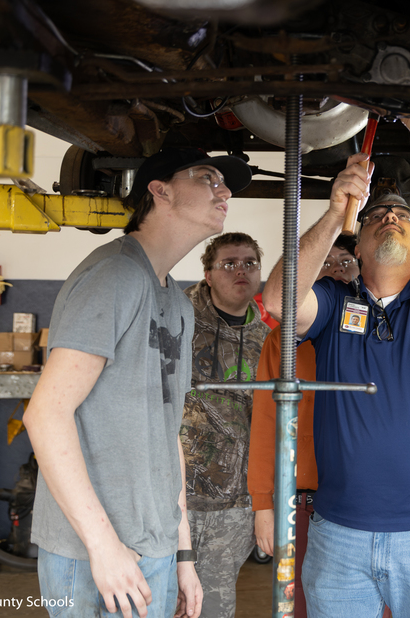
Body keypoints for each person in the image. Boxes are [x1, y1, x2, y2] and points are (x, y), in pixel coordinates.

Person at [262, 109, 410, 618]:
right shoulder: (333, 303)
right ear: (358, 245)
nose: (390, 217)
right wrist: (334, 211)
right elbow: (279, 302)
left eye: (404, 217)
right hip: (340, 536)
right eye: (374, 217)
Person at [24, 147, 252, 618]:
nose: (223, 190)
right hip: (96, 552)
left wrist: (183, 555)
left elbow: (167, 436)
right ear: (160, 190)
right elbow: (45, 414)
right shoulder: (115, 276)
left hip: (155, 547)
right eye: (207, 177)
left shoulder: (179, 302)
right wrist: (103, 546)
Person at [247, 235, 359, 618]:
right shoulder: (283, 343)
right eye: (324, 263)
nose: (336, 269)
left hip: (360, 502)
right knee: (296, 603)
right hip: (300, 502)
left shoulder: (377, 335)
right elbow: (265, 423)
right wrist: (264, 505)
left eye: (345, 261)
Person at [181, 232, 270, 618]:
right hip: (171, 499)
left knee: (213, 607)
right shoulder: (175, 319)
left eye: (250, 263)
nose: (241, 271)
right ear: (208, 273)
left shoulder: (267, 339)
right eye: (229, 263)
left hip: (233, 507)